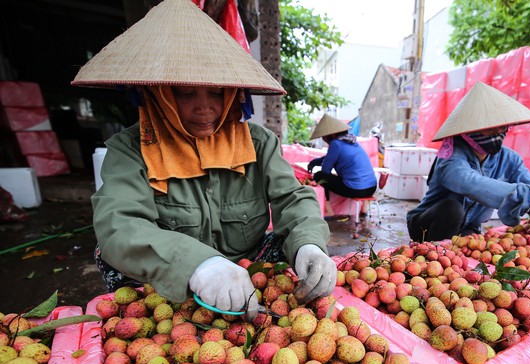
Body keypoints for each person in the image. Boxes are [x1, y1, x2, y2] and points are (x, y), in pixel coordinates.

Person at [72, 0, 336, 322]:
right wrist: (199, 265)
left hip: (248, 274)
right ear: (159, 94)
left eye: (216, 93)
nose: (205, 108)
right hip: (170, 285)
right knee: (110, 253)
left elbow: (293, 198)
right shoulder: (131, 150)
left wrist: (310, 244)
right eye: (185, 94)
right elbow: (119, 226)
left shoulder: (259, 143)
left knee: (293, 245)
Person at [407, 82, 530, 242]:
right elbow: (471, 183)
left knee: (470, 249)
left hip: (469, 228)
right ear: (469, 130)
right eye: (490, 128)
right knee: (452, 208)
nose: (498, 133)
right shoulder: (450, 157)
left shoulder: (509, 159)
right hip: (427, 224)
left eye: (502, 127)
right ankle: (429, 255)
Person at [307, 114, 377, 217]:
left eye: (324, 136)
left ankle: (328, 210)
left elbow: (326, 170)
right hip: (371, 188)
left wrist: (315, 164)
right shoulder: (352, 141)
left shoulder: (335, 144)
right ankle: (364, 208)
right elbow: (330, 158)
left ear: (332, 134)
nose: (324, 139)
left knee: (320, 176)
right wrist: (314, 162)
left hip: (357, 190)